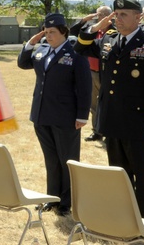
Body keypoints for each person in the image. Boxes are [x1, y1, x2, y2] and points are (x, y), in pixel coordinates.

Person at [75, 0, 144, 218]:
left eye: (124, 15)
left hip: (139, 122)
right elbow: (79, 47)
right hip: (112, 118)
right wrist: (96, 27)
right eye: (116, 15)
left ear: (138, 17)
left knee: (141, 174)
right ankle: (121, 217)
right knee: (118, 173)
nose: (118, 19)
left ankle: (140, 221)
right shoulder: (108, 40)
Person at [18, 13, 92, 214]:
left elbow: (85, 87)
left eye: (52, 32)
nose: (48, 36)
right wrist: (31, 43)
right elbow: (23, 63)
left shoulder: (75, 52)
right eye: (46, 32)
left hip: (65, 116)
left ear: (64, 32)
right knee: (50, 159)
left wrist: (82, 115)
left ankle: (66, 203)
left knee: (67, 160)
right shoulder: (41, 50)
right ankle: (52, 198)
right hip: (42, 114)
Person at [70, 6, 111, 142]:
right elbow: (74, 32)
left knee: (106, 104)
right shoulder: (94, 30)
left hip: (105, 74)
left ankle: (108, 131)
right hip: (91, 72)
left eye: (100, 15)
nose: (97, 18)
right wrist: (84, 20)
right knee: (93, 104)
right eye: (97, 15)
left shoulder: (113, 32)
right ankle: (97, 131)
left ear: (107, 16)